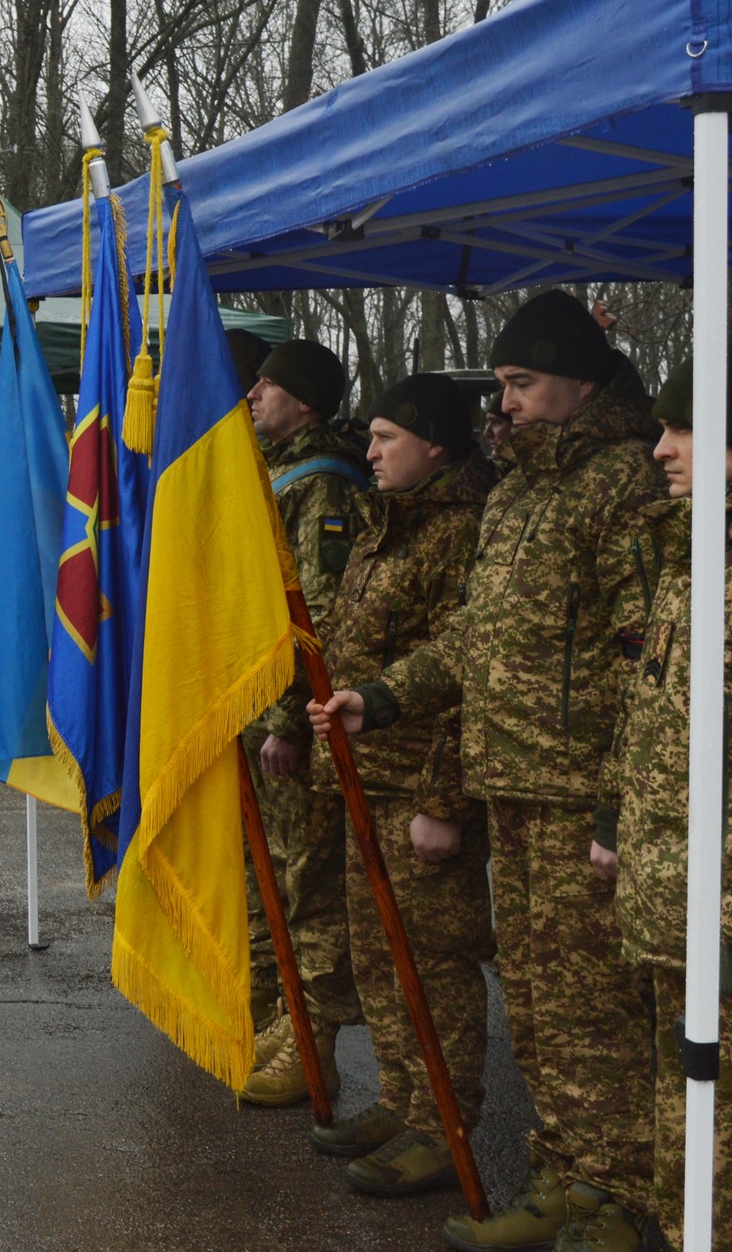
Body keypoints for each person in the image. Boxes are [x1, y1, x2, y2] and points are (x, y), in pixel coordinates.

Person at [312, 289, 662, 1252]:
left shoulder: (624, 483)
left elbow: (646, 659)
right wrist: (382, 696)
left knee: (591, 1011)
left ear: (581, 383)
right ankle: (563, 1172)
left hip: (576, 794)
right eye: (502, 383)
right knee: (540, 1009)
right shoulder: (518, 493)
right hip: (513, 783)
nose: (504, 403)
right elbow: (476, 635)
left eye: (523, 382)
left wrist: (615, 806)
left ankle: (612, 1196)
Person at [304, 373, 497, 1198]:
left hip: (419, 781)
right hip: (368, 774)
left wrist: (442, 799)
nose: (372, 452)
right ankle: (402, 1097)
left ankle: (443, 1123)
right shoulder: (389, 519)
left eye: (388, 438)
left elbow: (468, 674)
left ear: (437, 446)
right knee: (382, 955)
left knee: (433, 963)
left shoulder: (462, 531)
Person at [606, 359, 730, 1250]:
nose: (659, 449)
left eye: (683, 428)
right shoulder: (691, 557)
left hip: (718, 915)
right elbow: (654, 716)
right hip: (674, 904)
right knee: (685, 1120)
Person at [238, 339, 371, 1106]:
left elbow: (313, 616)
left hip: (292, 722)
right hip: (259, 712)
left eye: (269, 385)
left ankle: (311, 1043)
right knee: (274, 881)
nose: (253, 395)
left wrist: (287, 719)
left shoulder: (322, 485)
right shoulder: (276, 470)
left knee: (309, 886)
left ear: (307, 401)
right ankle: (280, 1016)